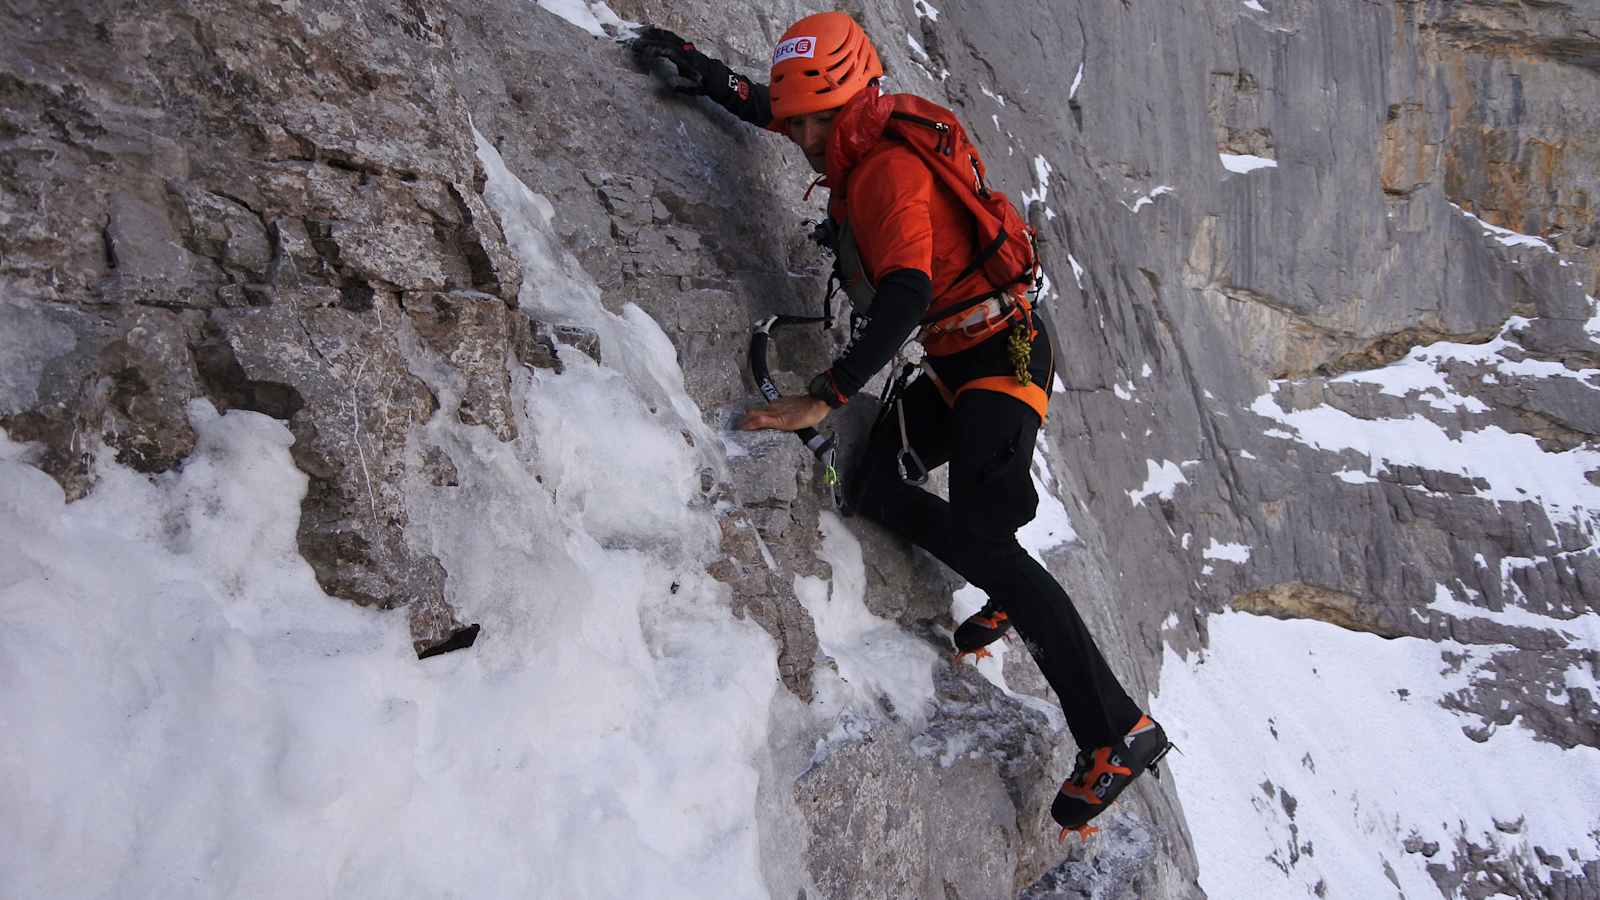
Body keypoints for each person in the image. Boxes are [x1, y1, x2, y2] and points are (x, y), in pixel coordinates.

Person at [631, 12, 1170, 840]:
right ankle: (999, 571)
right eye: (798, 120)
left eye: (810, 122)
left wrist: (827, 394)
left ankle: (1117, 731)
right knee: (878, 484)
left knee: (991, 545)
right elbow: (772, 110)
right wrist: (702, 70)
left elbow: (907, 298)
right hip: (960, 357)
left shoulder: (884, 175)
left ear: (840, 107)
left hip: (1004, 357)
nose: (801, 138)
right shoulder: (858, 125)